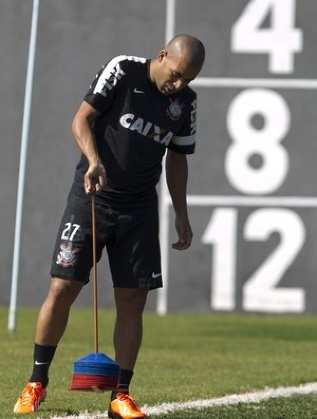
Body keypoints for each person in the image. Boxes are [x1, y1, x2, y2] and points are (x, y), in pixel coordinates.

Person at [13, 33, 205, 418]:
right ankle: (36, 383)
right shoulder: (123, 69)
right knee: (64, 285)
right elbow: (81, 119)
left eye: (188, 79)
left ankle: (120, 394)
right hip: (93, 197)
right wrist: (93, 159)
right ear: (163, 55)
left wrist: (181, 212)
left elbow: (178, 158)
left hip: (139, 209)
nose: (179, 84)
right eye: (177, 74)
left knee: (133, 301)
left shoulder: (185, 103)